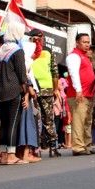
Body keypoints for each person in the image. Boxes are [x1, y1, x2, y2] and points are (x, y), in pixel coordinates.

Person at [0, 22, 29, 165]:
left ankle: (2, 155)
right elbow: (22, 74)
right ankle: (11, 155)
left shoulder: (2, 49)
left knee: (3, 123)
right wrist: (25, 92)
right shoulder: (17, 50)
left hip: (0, 90)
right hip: (14, 90)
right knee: (13, 123)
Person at [27, 29, 61, 158]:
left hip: (46, 88)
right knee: (34, 119)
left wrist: (55, 89)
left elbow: (54, 71)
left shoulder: (48, 51)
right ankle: (36, 148)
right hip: (32, 88)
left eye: (39, 37)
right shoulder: (27, 49)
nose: (37, 39)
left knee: (48, 119)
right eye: (35, 37)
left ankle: (53, 147)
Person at [65, 32, 95, 156]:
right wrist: (78, 90)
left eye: (88, 42)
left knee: (87, 121)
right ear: (77, 43)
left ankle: (87, 145)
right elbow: (74, 74)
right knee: (79, 121)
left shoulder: (85, 56)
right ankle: (78, 147)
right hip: (78, 94)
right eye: (84, 42)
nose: (87, 44)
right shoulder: (74, 56)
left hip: (88, 94)